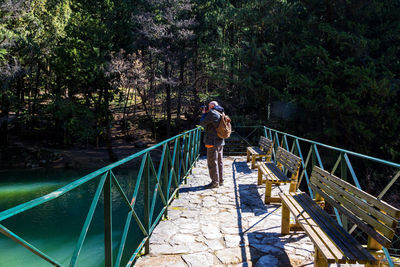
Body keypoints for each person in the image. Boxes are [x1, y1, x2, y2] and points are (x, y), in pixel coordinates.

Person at [199, 101, 225, 188]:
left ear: (213, 106)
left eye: (208, 106)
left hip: (212, 142)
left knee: (212, 162)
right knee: (219, 162)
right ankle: (220, 181)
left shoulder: (212, 112)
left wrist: (203, 114)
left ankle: (214, 183)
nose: (207, 107)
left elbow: (202, 123)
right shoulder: (220, 112)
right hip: (220, 141)